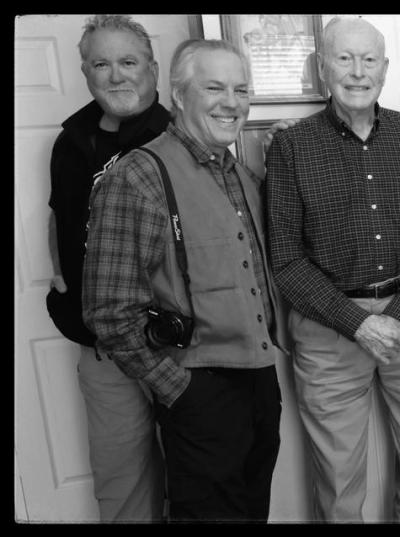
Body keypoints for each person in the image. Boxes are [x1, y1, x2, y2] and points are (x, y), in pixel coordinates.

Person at [83, 38, 286, 522]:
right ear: (179, 94)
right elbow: (108, 310)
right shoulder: (137, 177)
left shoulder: (242, 175)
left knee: (252, 510)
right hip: (199, 388)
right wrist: (178, 390)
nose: (231, 102)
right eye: (214, 87)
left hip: (260, 382)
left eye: (240, 89)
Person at [265, 17, 400, 522]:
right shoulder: (292, 146)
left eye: (369, 59)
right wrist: (359, 323)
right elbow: (285, 259)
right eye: (344, 59)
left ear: (385, 69)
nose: (357, 71)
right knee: (339, 476)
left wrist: (398, 314)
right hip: (329, 328)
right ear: (322, 67)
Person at [46, 14, 168, 522]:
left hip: (179, 344)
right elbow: (61, 214)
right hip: (103, 346)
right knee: (120, 483)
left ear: (153, 69)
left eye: (128, 61)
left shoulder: (184, 133)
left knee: (200, 478)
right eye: (101, 63)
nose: (116, 75)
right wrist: (58, 273)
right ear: (85, 72)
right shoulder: (70, 141)